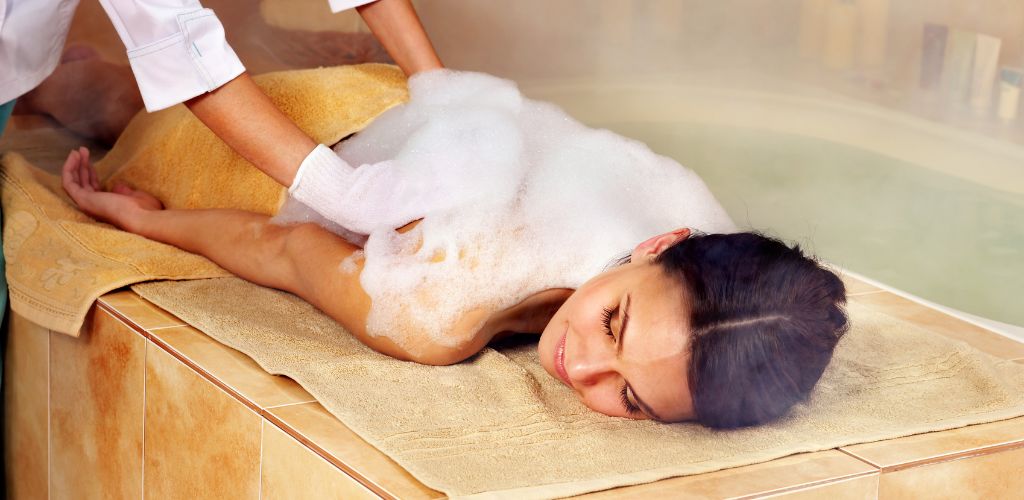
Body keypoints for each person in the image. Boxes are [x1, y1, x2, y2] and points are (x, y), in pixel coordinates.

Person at [58, 72, 851, 426]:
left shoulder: (444, 317)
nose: (584, 370)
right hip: (283, 144)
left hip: (379, 129)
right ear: (660, 244)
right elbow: (284, 241)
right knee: (109, 103)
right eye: (613, 326)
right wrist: (147, 220)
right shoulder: (443, 301)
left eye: (631, 400)